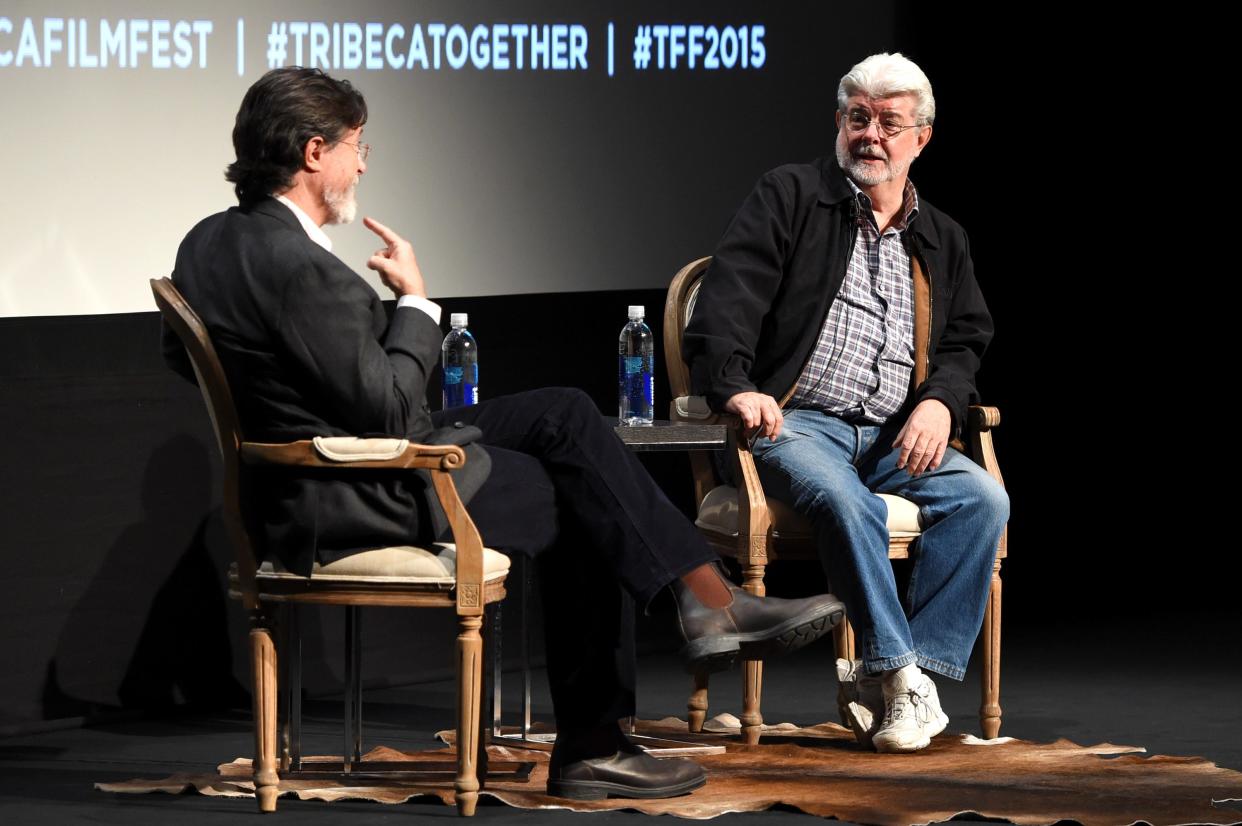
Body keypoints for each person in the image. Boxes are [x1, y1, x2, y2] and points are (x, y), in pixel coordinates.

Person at [162, 67, 846, 800]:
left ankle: (700, 601)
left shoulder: (209, 242)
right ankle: (603, 734)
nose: (363, 163)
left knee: (567, 414)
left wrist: (296, 393)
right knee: (587, 495)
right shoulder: (304, 270)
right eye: (357, 146)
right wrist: (416, 305)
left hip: (323, 467)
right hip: (356, 487)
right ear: (312, 151)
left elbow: (184, 357)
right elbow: (393, 412)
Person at [683, 53, 1009, 754]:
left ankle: (897, 675)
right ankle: (900, 678)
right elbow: (726, 300)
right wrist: (739, 385)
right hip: (798, 423)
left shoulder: (942, 237)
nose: (871, 136)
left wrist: (941, 404)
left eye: (889, 123)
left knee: (985, 500)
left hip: (896, 435)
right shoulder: (791, 196)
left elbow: (964, 341)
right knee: (845, 501)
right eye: (857, 118)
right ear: (839, 123)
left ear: (920, 138)